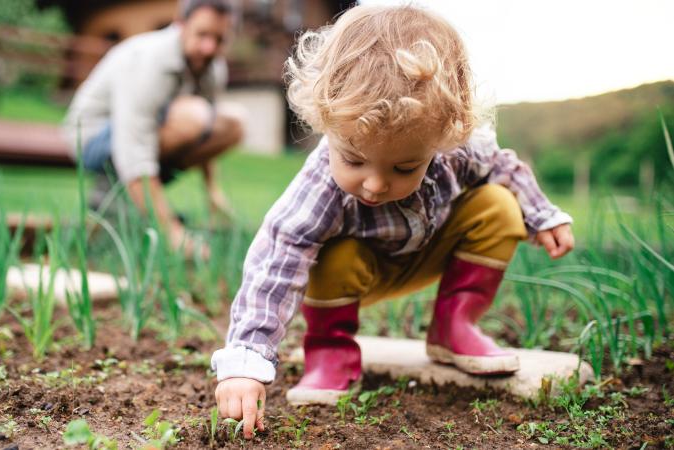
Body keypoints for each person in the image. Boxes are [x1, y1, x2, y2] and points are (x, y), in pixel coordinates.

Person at [210, 4, 575, 439]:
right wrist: (246, 361)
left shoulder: (455, 148)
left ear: (441, 138)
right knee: (326, 251)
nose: (375, 184)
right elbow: (276, 257)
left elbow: (504, 167)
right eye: (354, 159)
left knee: (498, 203)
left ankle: (454, 326)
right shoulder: (320, 184)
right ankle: (330, 350)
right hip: (354, 275)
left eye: (404, 167)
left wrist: (542, 215)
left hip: (428, 251)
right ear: (327, 125)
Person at [62, 0, 243, 256]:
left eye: (220, 39)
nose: (209, 47)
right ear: (180, 25)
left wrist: (213, 193)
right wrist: (172, 232)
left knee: (233, 124)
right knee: (194, 115)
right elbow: (133, 146)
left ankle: (130, 201)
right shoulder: (149, 60)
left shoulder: (213, 67)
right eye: (202, 34)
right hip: (93, 138)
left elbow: (208, 133)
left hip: (144, 135)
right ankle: (117, 198)